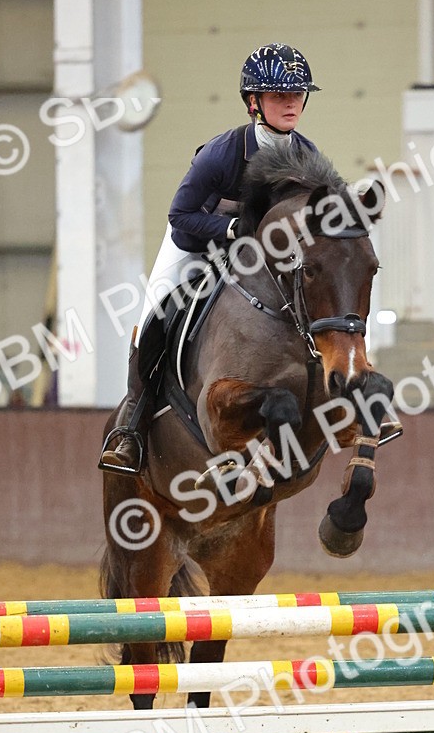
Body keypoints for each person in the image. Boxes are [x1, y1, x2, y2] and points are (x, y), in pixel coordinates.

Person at [99, 42, 319, 474]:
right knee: (155, 315)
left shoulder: (306, 156)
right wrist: (234, 229)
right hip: (195, 244)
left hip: (258, 257)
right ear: (253, 102)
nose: (291, 103)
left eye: (297, 94)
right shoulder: (222, 153)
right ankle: (131, 424)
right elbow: (180, 216)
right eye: (279, 95)